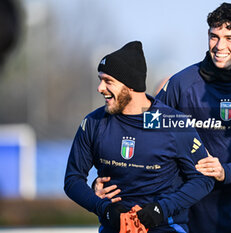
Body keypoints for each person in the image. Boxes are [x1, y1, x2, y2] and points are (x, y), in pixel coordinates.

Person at [94, 3, 231, 233]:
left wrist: (226, 171)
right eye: (214, 36)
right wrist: (107, 179)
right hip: (199, 213)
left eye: (229, 38)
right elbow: (142, 134)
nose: (220, 46)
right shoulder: (182, 84)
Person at [64, 41, 214, 233]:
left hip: (165, 227)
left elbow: (203, 180)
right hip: (113, 227)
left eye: (108, 81)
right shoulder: (94, 122)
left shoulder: (172, 123)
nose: (100, 88)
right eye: (100, 79)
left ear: (131, 85)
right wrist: (105, 209)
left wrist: (161, 210)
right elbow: (73, 179)